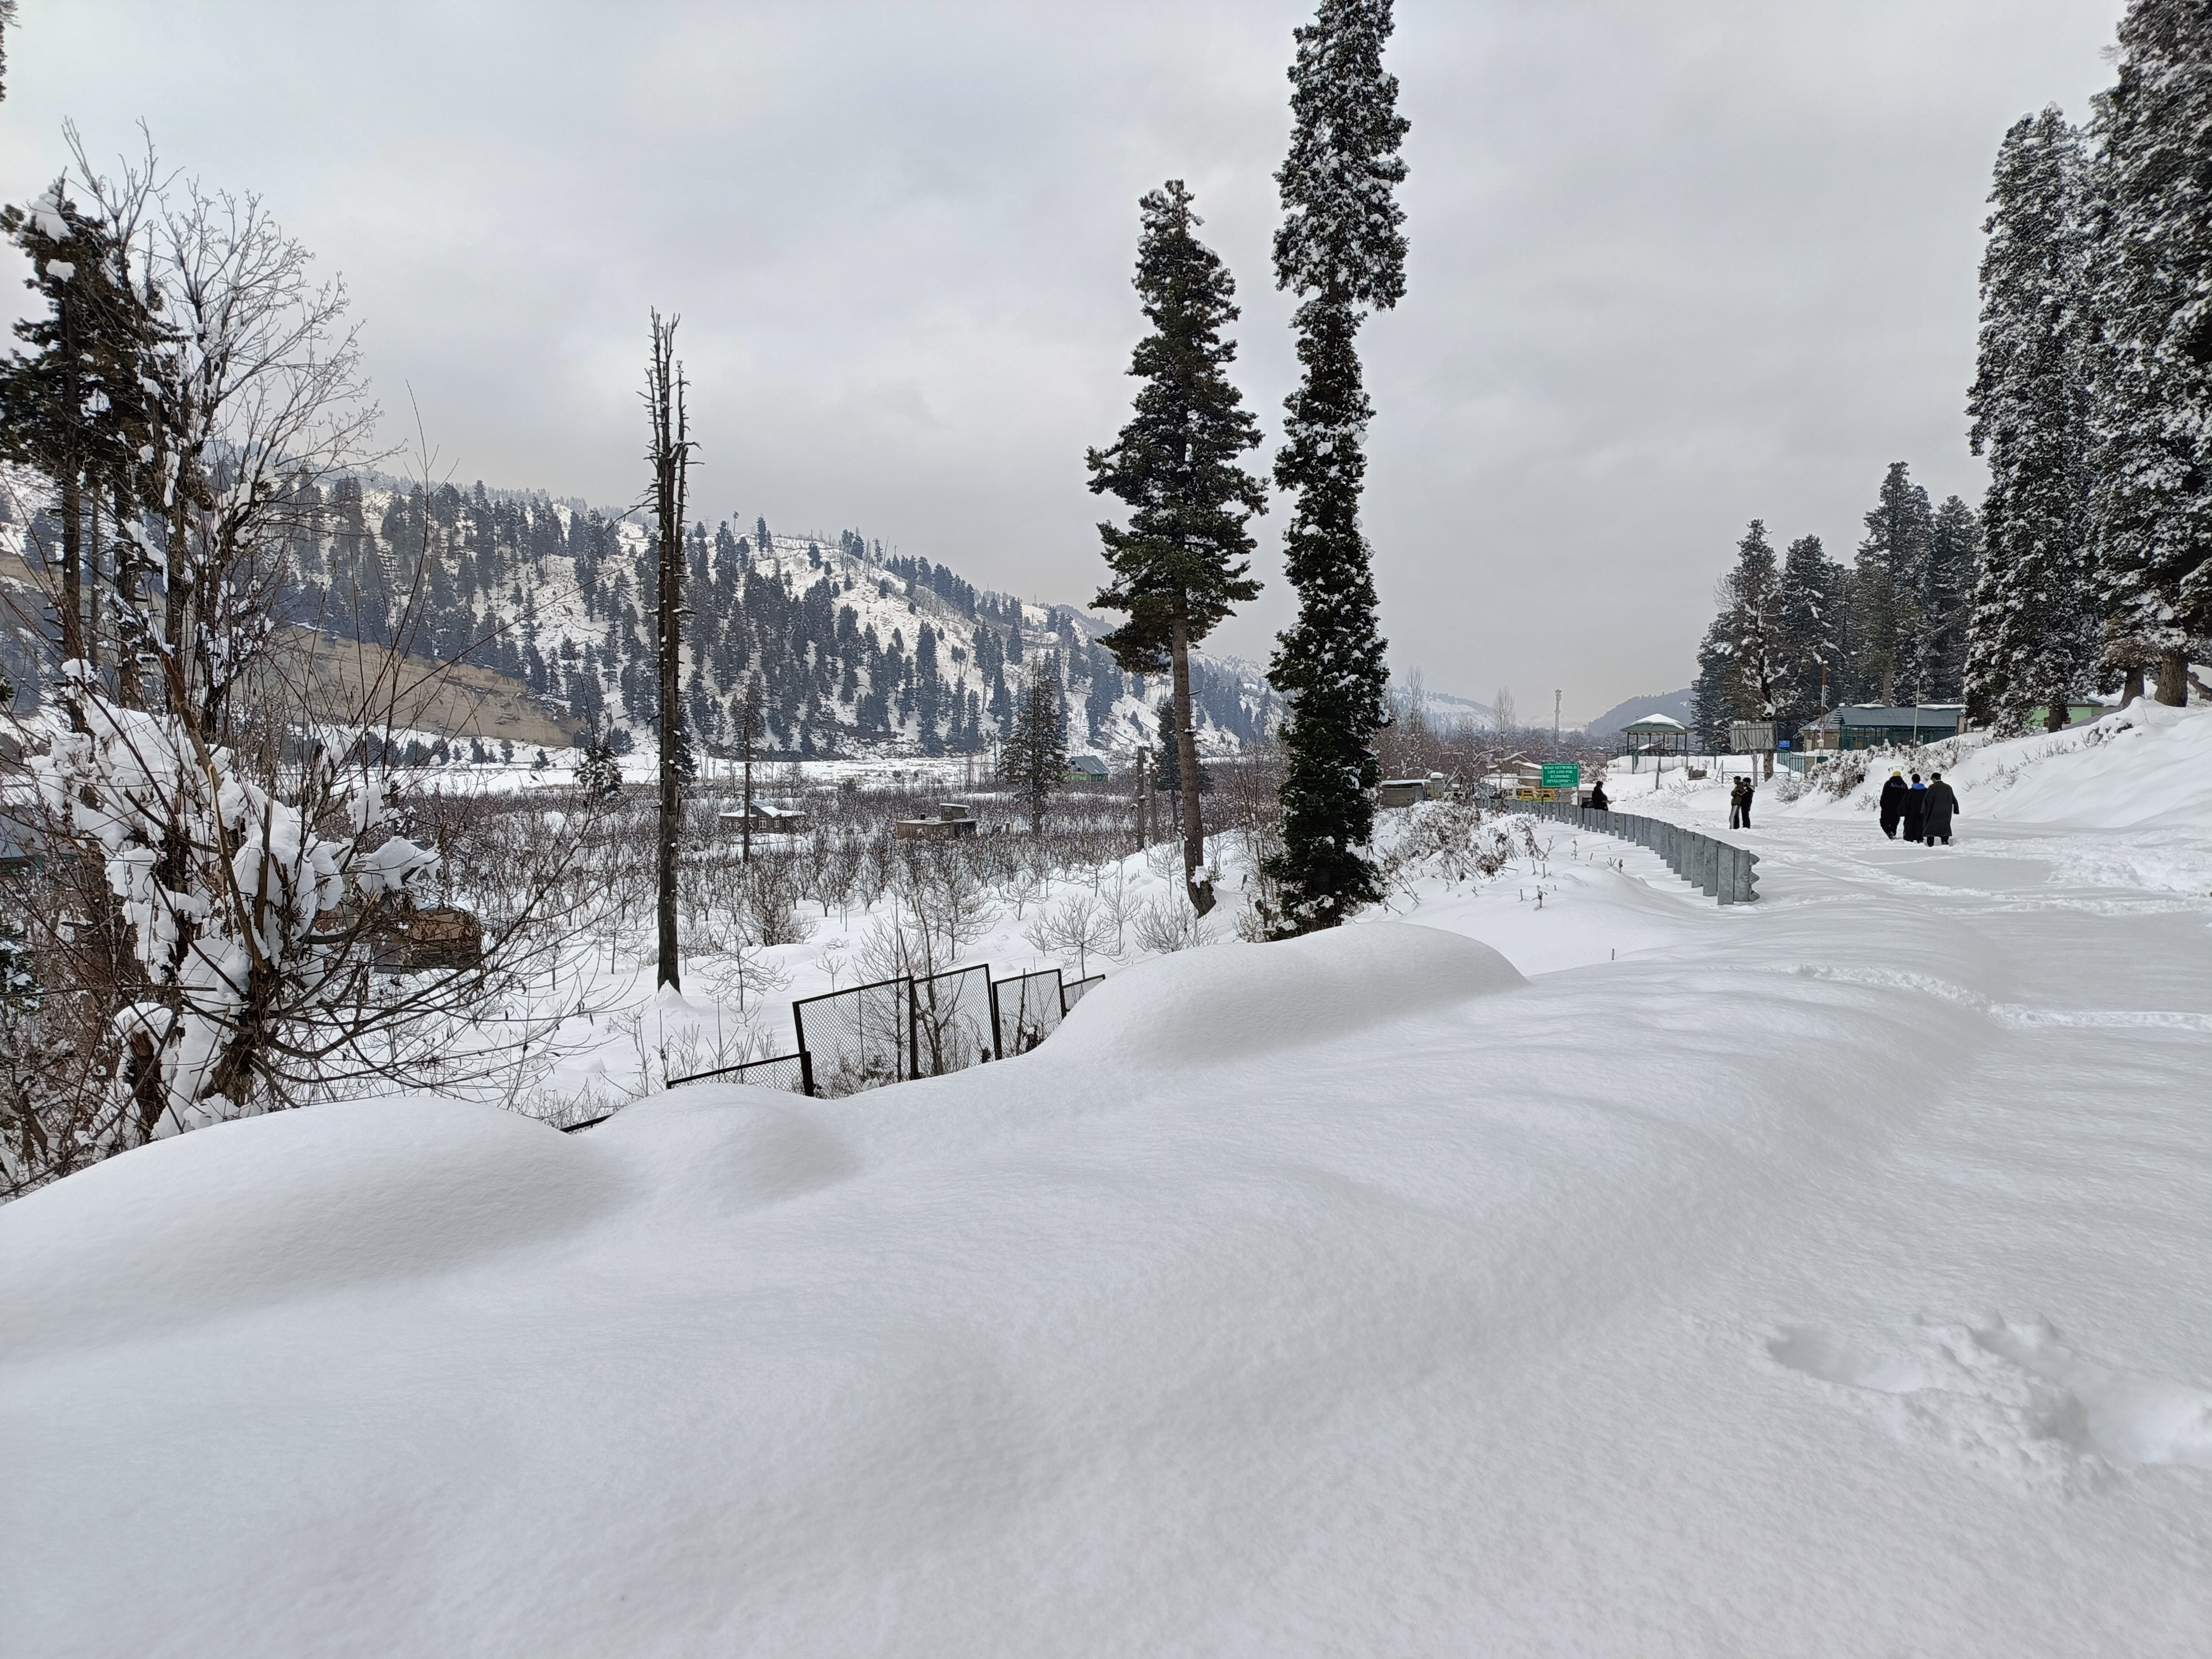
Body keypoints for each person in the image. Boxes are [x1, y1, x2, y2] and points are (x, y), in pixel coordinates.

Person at [1922, 771, 1960, 845]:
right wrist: (1956, 810)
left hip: (1933, 811)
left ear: (1934, 779)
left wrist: (1923, 810)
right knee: (1944, 826)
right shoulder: (1948, 787)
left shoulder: (1931, 787)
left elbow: (1926, 799)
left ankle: (1930, 843)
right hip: (1945, 812)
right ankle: (1945, 841)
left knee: (1931, 827)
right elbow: (1954, 799)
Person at [1878, 770, 1908, 839]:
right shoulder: (1904, 785)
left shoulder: (1889, 783)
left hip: (1888, 807)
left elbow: (1884, 795)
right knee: (1895, 822)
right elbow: (1906, 797)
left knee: (1883, 822)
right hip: (1898, 808)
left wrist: (1882, 805)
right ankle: (1893, 834)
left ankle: (1890, 833)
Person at [1900, 771, 1927, 843]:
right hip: (1922, 812)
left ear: (1912, 780)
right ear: (1920, 780)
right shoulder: (1926, 791)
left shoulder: (1910, 792)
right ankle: (1920, 838)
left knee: (1910, 826)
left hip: (1911, 813)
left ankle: (1909, 839)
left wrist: (1902, 812)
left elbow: (1904, 803)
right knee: (1920, 825)